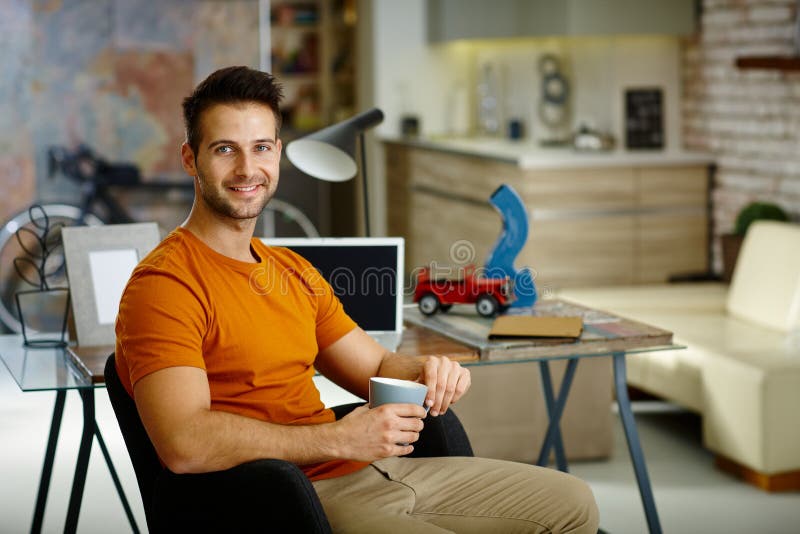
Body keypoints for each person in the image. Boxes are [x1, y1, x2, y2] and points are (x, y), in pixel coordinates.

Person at [115, 65, 599, 533]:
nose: (247, 169)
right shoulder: (164, 285)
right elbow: (184, 443)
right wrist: (339, 438)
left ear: (277, 153)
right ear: (189, 158)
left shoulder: (292, 271)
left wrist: (428, 371)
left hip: (377, 469)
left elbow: (380, 366)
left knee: (576, 504)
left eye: (261, 147)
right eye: (225, 149)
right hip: (290, 502)